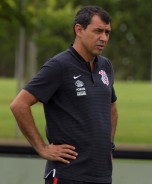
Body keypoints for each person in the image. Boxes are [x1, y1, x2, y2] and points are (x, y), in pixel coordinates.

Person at [10, 5, 118, 184]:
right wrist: (42, 148)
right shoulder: (59, 66)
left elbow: (111, 109)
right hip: (68, 175)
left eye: (107, 32)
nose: (104, 38)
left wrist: (109, 147)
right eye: (98, 31)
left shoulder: (105, 66)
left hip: (102, 176)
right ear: (79, 30)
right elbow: (19, 105)